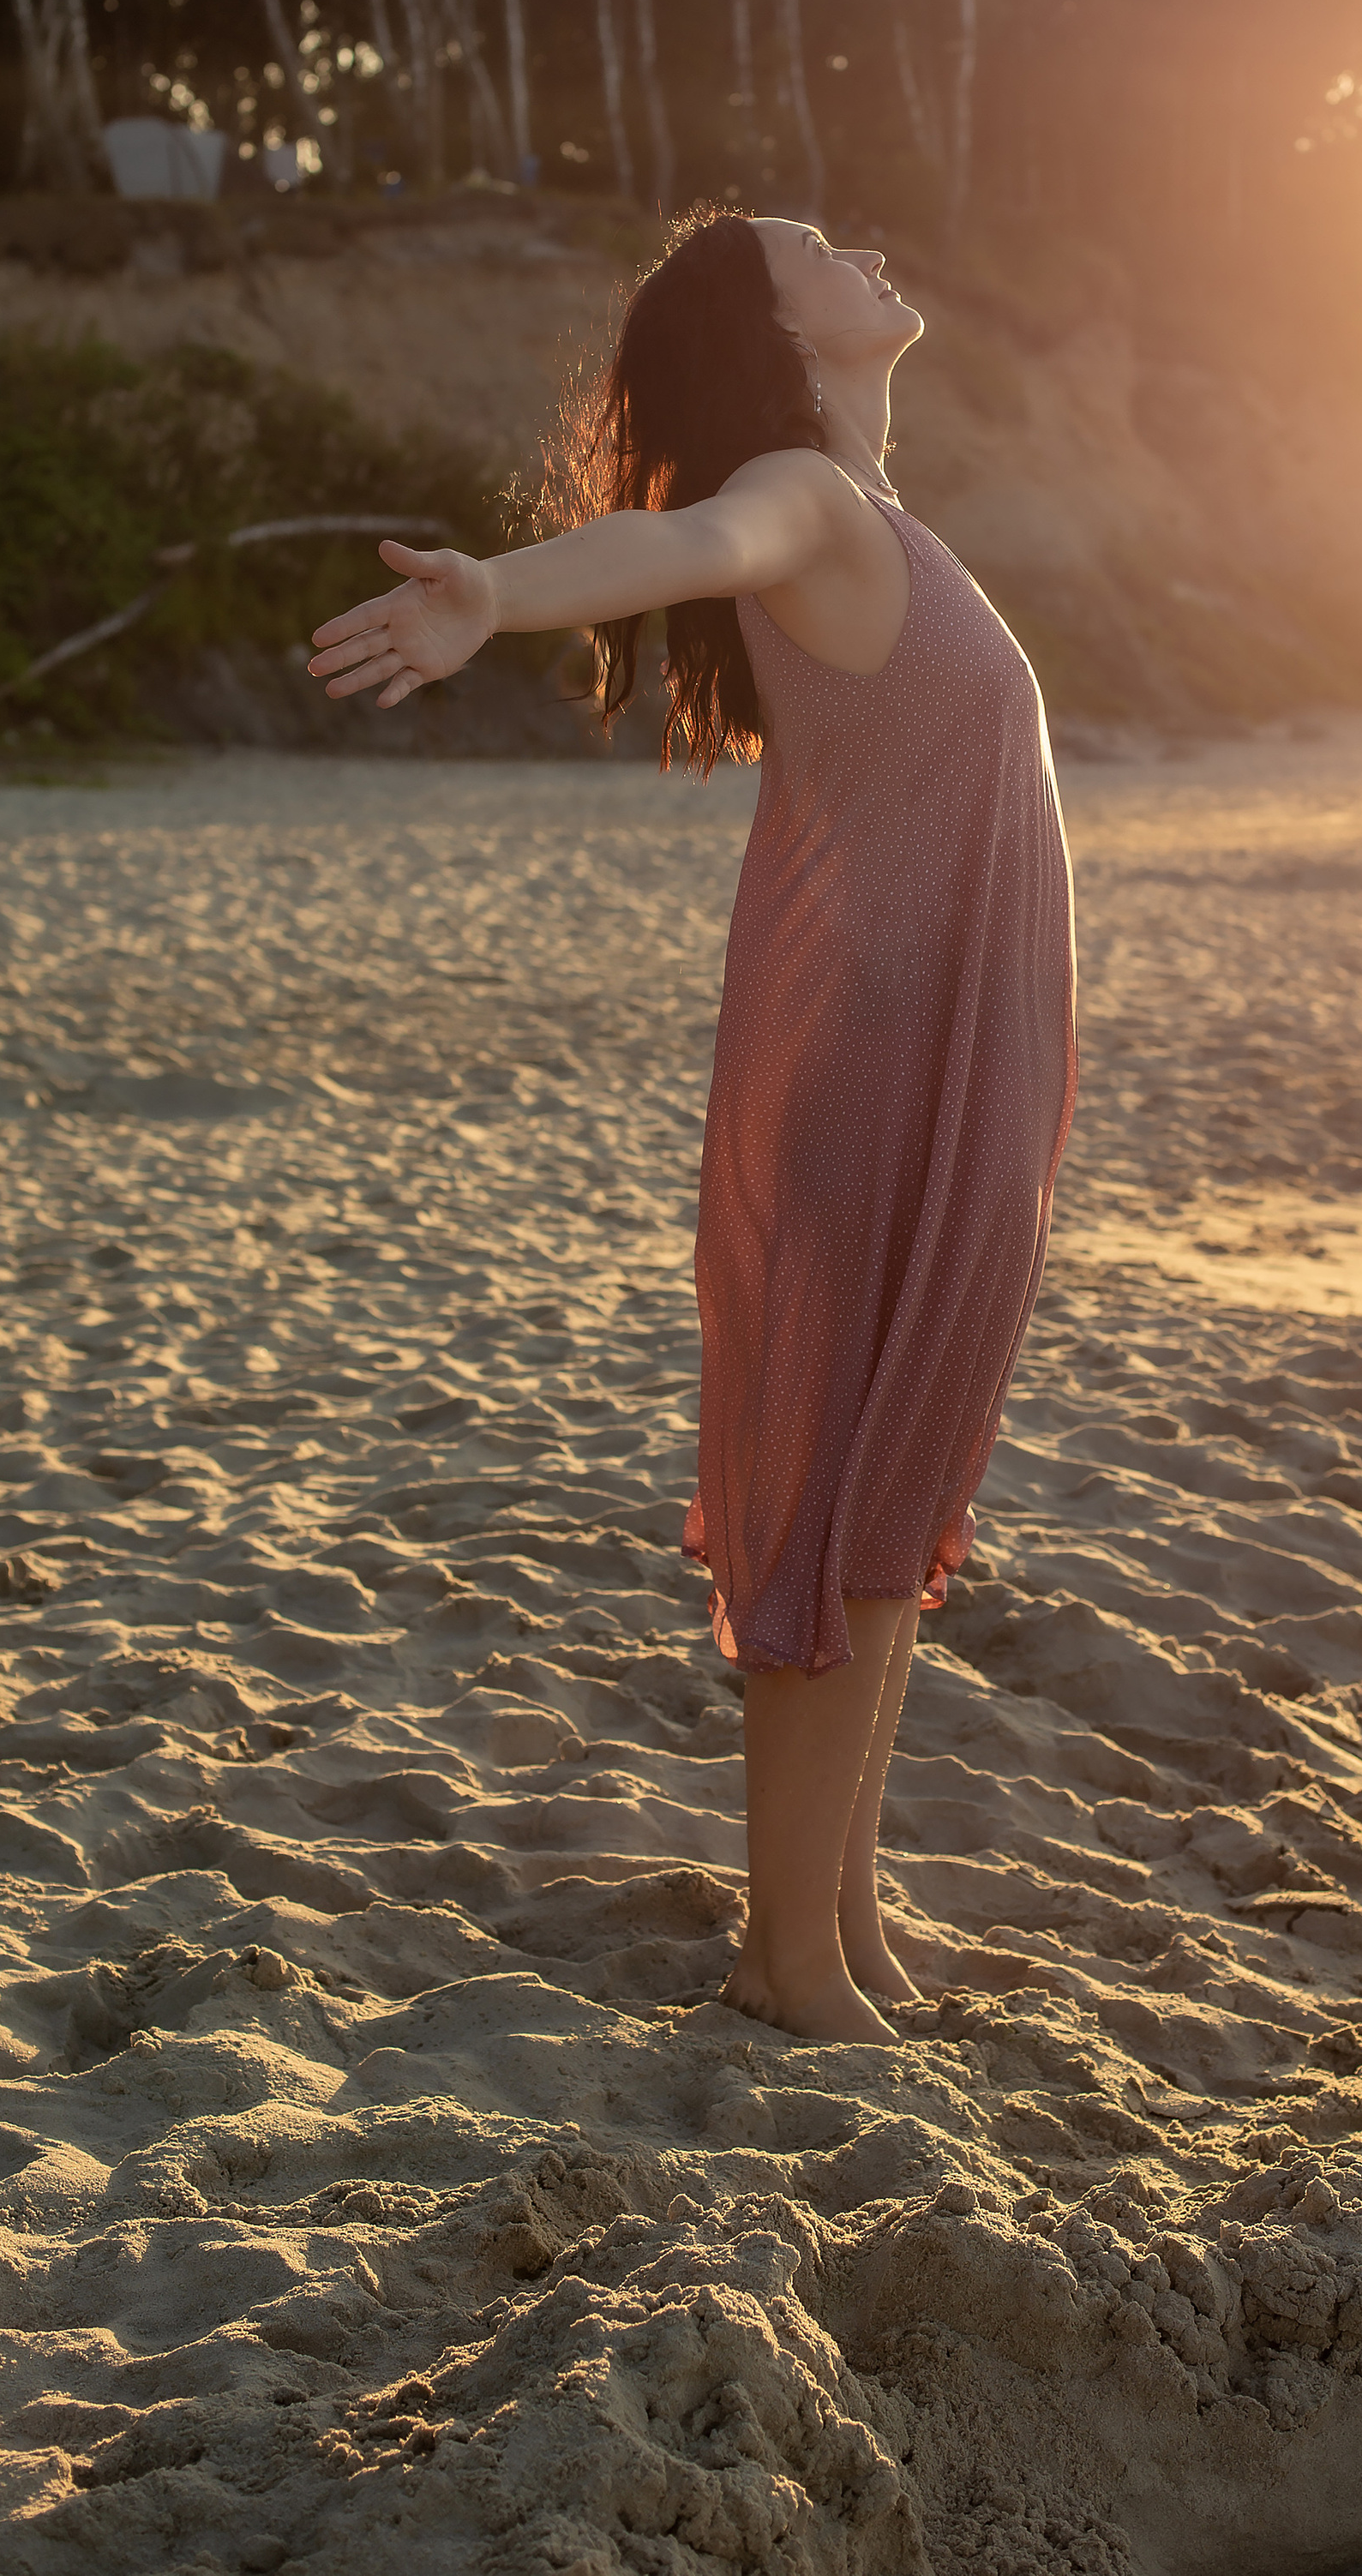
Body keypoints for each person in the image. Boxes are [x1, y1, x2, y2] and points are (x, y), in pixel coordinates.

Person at [309, 209, 1076, 2045]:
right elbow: (684, 540)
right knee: (833, 1495)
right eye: (818, 244)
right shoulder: (796, 494)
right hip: (875, 1070)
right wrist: (495, 590)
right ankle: (784, 1957)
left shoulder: (877, 518)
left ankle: (842, 1920)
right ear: (770, 324)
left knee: (889, 1491)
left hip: (949, 1066)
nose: (866, 247)